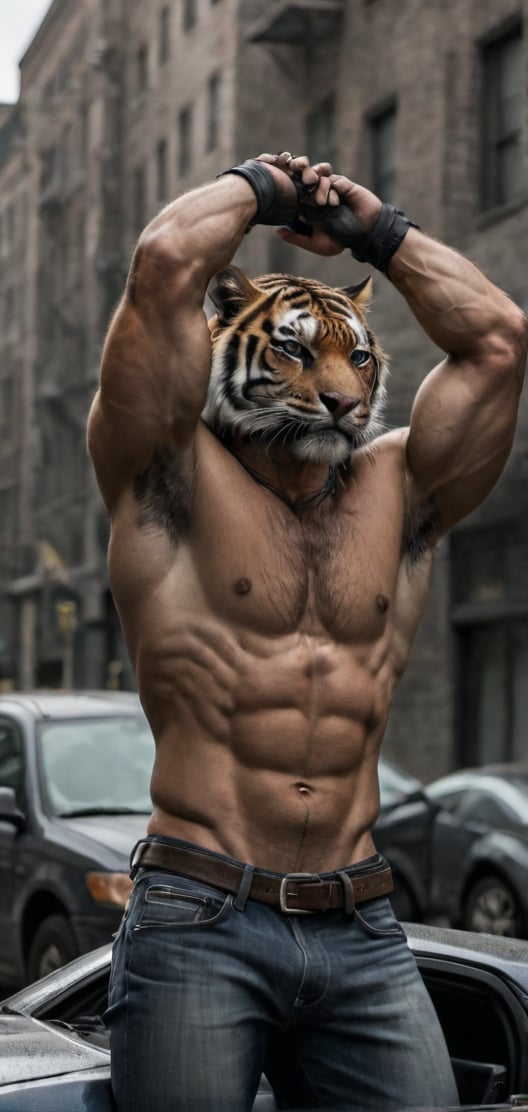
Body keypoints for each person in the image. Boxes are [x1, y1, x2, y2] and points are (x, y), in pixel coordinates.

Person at [87, 151, 527, 1112]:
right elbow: (164, 264)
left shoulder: (402, 491)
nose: (337, 388)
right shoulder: (166, 473)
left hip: (361, 920)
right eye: (294, 351)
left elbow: (499, 339)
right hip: (199, 912)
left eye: (355, 360)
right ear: (229, 348)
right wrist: (268, 189)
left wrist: (379, 232)